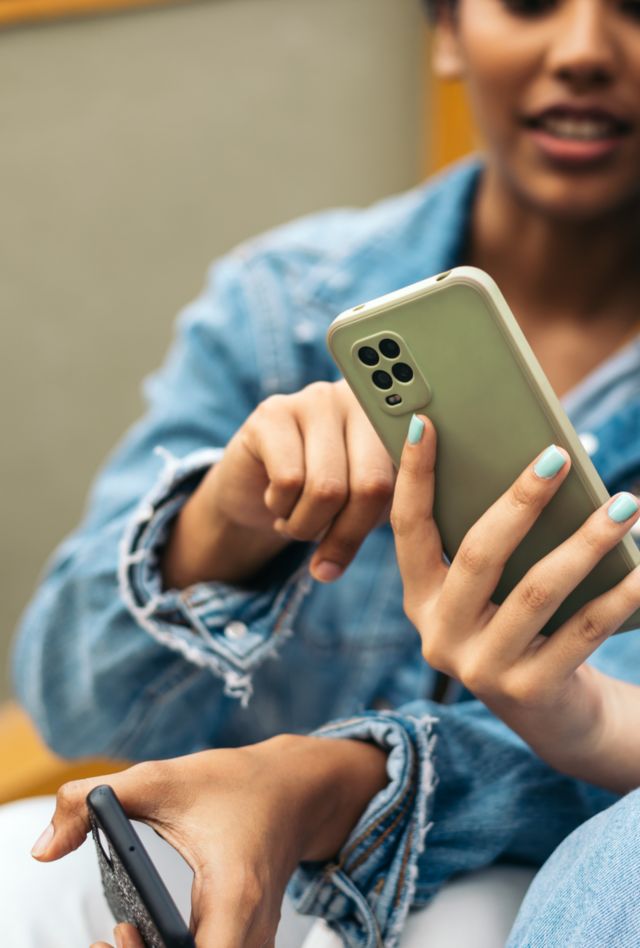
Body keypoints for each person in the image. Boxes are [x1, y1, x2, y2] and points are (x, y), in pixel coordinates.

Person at [4, 0, 640, 944]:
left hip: (503, 877)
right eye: (529, 1)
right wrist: (219, 523)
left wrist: (313, 784)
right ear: (449, 32)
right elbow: (65, 694)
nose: (584, 50)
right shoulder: (287, 301)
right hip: (221, 830)